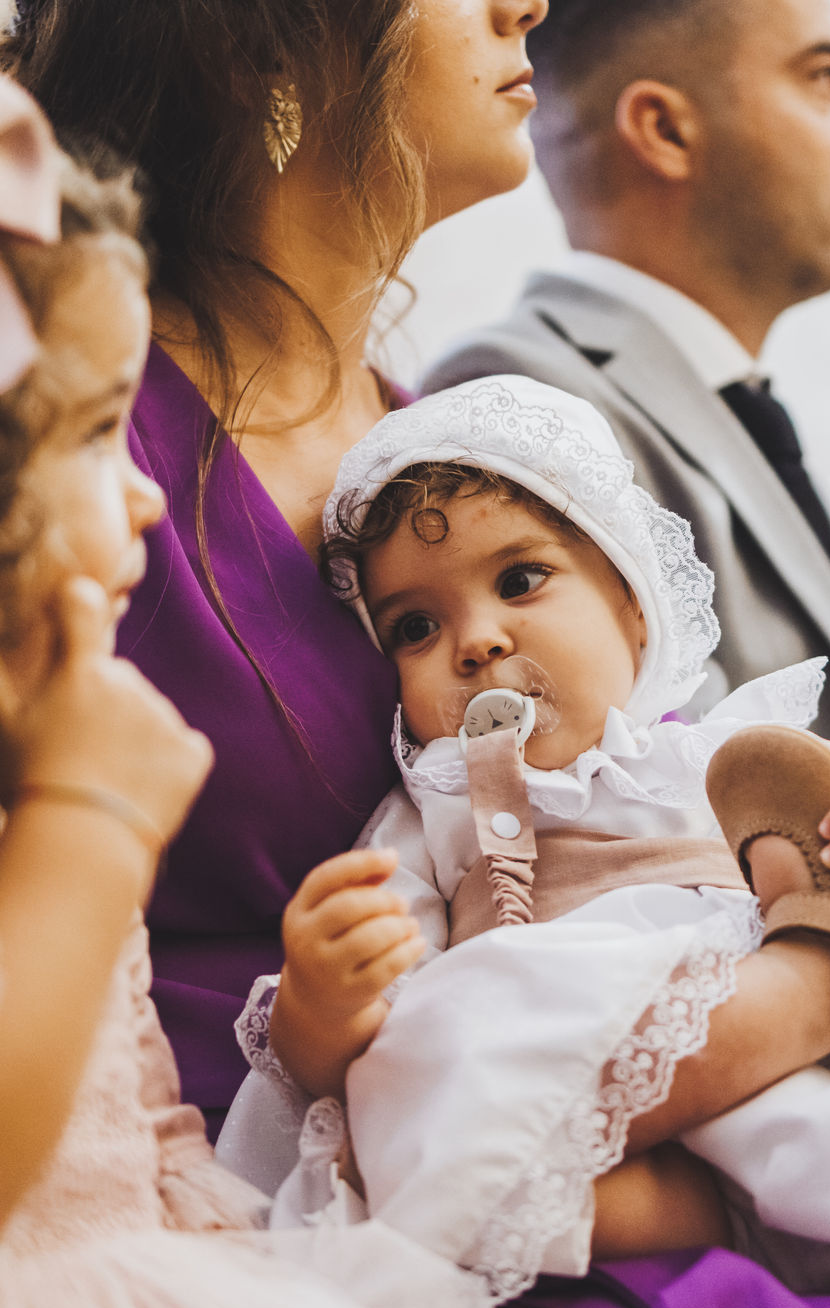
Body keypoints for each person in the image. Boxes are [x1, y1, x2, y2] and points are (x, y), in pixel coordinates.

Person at [218, 376, 830, 1302]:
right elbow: (358, 1061)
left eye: (519, 579)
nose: (477, 641)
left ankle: (822, 977)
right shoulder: (431, 817)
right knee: (430, 1088)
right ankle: (821, 1004)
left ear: (631, 600)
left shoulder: (726, 759)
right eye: (415, 627)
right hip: (627, 1158)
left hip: (800, 1086)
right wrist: (323, 1001)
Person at [0, 144, 500, 1308]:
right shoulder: (63, 788)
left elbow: (140, 1117)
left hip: (153, 1300)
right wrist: (89, 821)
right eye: (95, 429)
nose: (148, 489)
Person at [2, 0, 550, 1139]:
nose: (526, 5)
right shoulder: (64, 450)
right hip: (213, 1166)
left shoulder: (451, 453)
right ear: (266, 53)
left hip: (531, 1096)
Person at [421, 0, 830, 814]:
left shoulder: (740, 405)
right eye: (821, 77)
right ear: (665, 129)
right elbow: (647, 815)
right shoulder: (526, 400)